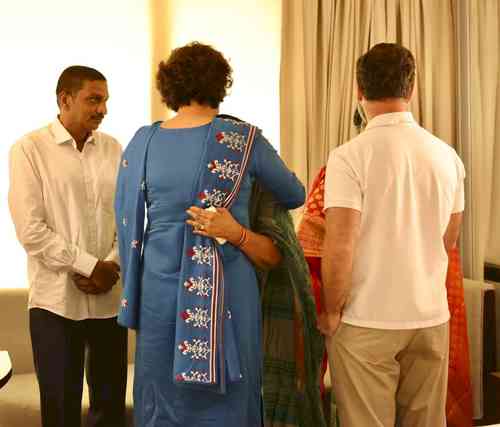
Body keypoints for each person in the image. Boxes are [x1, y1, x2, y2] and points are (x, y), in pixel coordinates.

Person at [114, 42, 306, 427]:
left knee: (161, 394)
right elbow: (294, 193)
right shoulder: (243, 140)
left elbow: (125, 217)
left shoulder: (142, 142)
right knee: (232, 397)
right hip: (226, 282)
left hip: (158, 288)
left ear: (169, 88)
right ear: (222, 85)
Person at [317, 43, 466, 427]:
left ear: (359, 91)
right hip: (430, 316)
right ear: (411, 88)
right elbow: (449, 238)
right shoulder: (446, 156)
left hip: (367, 319)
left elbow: (340, 245)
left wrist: (331, 311)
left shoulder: (350, 157)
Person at [8, 66, 127, 427]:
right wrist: (91, 266)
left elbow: (127, 218)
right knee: (60, 410)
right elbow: (31, 229)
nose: (102, 109)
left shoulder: (113, 148)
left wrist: (112, 265)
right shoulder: (29, 149)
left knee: (110, 409)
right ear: (65, 99)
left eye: (105, 100)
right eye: (94, 99)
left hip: (108, 299)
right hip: (55, 302)